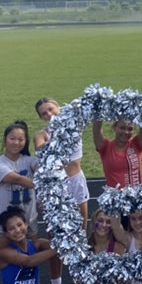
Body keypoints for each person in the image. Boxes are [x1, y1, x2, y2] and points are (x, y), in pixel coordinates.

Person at [0, 120, 63, 284]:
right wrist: (41, 179)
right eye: (12, 138)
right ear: (5, 139)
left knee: (32, 261)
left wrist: (45, 139)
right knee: (8, 263)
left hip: (27, 221)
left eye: (21, 139)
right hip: (3, 224)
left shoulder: (30, 161)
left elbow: (46, 165)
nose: (16, 142)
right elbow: (23, 181)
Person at [35, 97, 92, 227]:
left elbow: (87, 109)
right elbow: (39, 147)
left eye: (51, 109)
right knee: (56, 223)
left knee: (81, 219)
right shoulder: (42, 134)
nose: (49, 114)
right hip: (56, 184)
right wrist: (57, 136)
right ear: (42, 118)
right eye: (44, 113)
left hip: (76, 179)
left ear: (59, 108)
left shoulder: (74, 126)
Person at [92, 117, 142, 189]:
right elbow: (96, 130)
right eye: (122, 128)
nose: (126, 132)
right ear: (115, 128)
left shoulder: (136, 144)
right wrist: (100, 108)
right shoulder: (106, 147)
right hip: (115, 198)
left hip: (137, 197)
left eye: (130, 129)